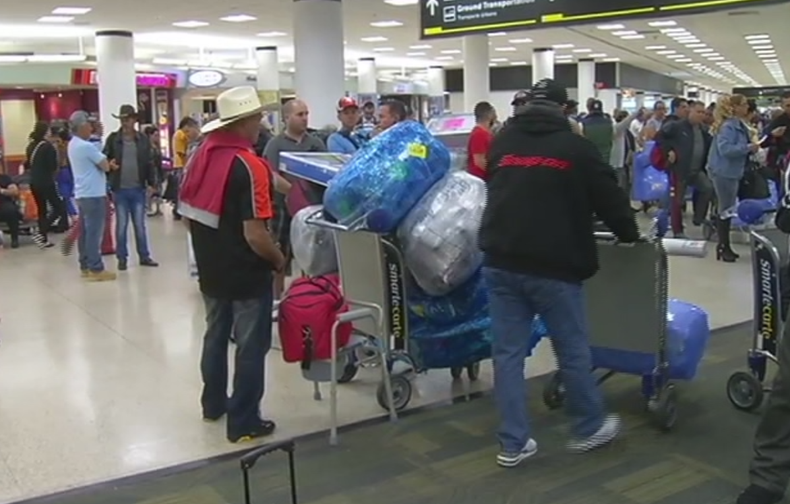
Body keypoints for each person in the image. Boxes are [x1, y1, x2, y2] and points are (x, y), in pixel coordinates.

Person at [479, 78, 639, 468]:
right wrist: (629, 234)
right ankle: (588, 426)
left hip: (501, 260)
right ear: (565, 110)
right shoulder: (575, 148)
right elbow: (610, 198)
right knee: (571, 348)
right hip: (553, 263)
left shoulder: (502, 142)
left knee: (507, 356)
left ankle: (513, 443)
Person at [179, 86, 285, 444]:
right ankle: (244, 421)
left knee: (215, 335)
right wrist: (278, 259)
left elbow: (188, 216)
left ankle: (213, 404)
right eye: (257, 118)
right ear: (243, 122)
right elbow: (255, 234)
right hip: (246, 272)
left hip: (211, 269)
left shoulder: (201, 157)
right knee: (250, 346)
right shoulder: (248, 165)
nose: (261, 124)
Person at [263, 99, 326, 299]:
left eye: (306, 114)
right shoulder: (275, 145)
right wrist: (294, 193)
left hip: (312, 210)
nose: (305, 118)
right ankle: (276, 299)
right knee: (280, 256)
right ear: (286, 117)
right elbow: (271, 175)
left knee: (312, 256)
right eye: (300, 114)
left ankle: (310, 297)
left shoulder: (315, 144)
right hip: (282, 209)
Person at [103, 105, 159, 271]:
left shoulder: (142, 140)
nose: (124, 123)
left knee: (140, 225)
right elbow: (104, 159)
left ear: (134, 120)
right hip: (119, 189)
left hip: (138, 188)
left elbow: (149, 163)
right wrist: (109, 166)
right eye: (122, 119)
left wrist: (152, 183)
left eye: (127, 119)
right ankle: (122, 258)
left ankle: (144, 256)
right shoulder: (113, 139)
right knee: (121, 225)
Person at [707, 94, 760, 263]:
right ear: (734, 107)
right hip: (724, 172)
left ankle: (724, 245)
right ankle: (723, 246)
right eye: (743, 104)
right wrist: (748, 147)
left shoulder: (737, 124)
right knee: (726, 209)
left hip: (731, 171)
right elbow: (726, 150)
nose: (747, 107)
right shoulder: (729, 126)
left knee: (726, 208)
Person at [68, 110, 116, 281]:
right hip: (94, 194)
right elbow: (105, 165)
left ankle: (85, 265)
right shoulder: (86, 146)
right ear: (81, 126)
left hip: (82, 194)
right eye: (89, 125)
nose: (91, 128)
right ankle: (96, 268)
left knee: (85, 232)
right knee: (94, 233)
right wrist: (109, 164)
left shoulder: (73, 144)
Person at [660, 100, 714, 238]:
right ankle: (678, 230)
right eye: (698, 112)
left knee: (707, 188)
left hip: (696, 169)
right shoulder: (676, 126)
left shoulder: (703, 130)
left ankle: (699, 218)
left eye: (703, 112)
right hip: (679, 170)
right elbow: (659, 138)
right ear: (690, 111)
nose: (701, 115)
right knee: (677, 201)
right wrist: (668, 151)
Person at [26, 121, 65, 248]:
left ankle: (43, 238)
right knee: (59, 208)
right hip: (46, 182)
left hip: (34, 182)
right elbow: (52, 166)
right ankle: (41, 231)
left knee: (42, 210)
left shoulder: (31, 146)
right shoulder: (48, 147)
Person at [170, 117, 200, 220]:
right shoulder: (182, 137)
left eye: (187, 131)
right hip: (182, 166)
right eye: (185, 132)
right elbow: (181, 153)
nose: (187, 135)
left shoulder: (201, 142)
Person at [467, 101, 497, 180]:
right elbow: (479, 161)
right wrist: (494, 173)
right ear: (490, 115)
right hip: (481, 179)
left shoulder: (486, 133)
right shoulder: (479, 134)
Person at [581, 99, 615, 164]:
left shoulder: (583, 124)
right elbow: (613, 138)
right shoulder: (610, 123)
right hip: (605, 159)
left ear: (589, 109)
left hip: (590, 159)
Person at [143, 125, 164, 217]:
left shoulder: (156, 146)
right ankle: (149, 207)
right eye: (155, 135)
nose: (157, 137)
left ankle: (158, 208)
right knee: (150, 189)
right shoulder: (146, 147)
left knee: (158, 189)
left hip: (157, 170)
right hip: (151, 170)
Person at [0, 173, 21, 248]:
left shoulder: (5, 178)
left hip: (4, 205)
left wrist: (2, 191)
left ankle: (14, 239)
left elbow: (15, 191)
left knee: (11, 210)